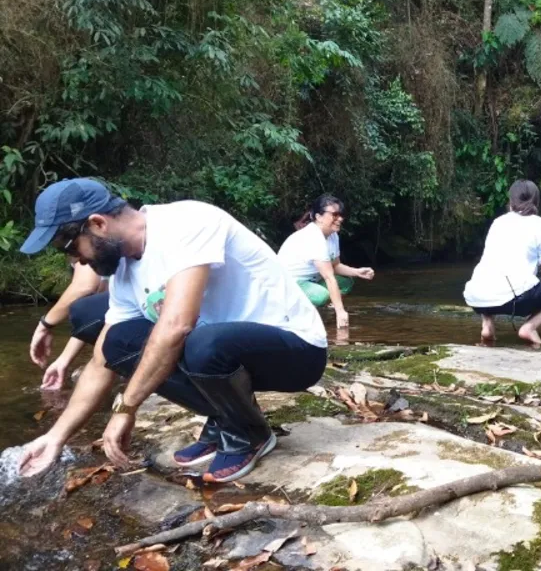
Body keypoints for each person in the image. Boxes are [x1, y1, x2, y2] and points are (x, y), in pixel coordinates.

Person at [16, 178, 327, 483]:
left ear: (98, 224)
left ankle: (249, 433)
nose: (75, 259)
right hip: (223, 352)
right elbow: (101, 360)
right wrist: (55, 436)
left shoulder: (186, 223)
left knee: (195, 341)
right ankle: (225, 415)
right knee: (117, 343)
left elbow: (177, 326)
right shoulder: (125, 271)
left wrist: (126, 408)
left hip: (296, 350)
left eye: (69, 247)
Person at [463, 179, 541, 345]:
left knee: (487, 275)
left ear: (511, 202)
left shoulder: (498, 223)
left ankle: (487, 324)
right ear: (536, 202)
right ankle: (529, 327)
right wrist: (539, 310)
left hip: (476, 298)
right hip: (516, 301)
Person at [277, 194, 374, 328]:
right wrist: (340, 312)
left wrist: (357, 272)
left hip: (312, 280)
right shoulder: (314, 238)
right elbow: (329, 277)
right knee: (322, 295)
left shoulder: (332, 235)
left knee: (346, 281)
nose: (340, 219)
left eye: (341, 214)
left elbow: (335, 265)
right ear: (318, 217)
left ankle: (323, 307)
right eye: (334, 215)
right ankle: (298, 313)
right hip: (289, 284)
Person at [30, 261, 109, 390]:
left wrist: (44, 325)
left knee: (80, 309)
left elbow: (85, 286)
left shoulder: (84, 249)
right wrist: (63, 360)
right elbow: (98, 318)